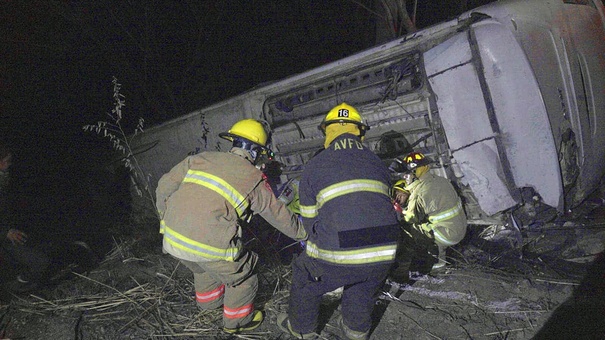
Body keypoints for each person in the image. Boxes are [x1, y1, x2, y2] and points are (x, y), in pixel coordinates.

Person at [155, 119, 307, 334]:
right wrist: (304, 233)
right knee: (244, 275)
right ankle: (237, 323)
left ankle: (208, 305)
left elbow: (163, 186)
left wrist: (165, 217)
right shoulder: (253, 178)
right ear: (254, 152)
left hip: (172, 240)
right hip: (210, 245)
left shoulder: (199, 159)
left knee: (202, 267)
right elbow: (279, 215)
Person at [277, 103, 400, 340]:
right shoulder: (377, 162)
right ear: (360, 132)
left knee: (305, 273)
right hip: (385, 250)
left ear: (327, 133)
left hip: (341, 252)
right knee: (364, 282)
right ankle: (356, 330)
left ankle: (301, 329)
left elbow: (310, 221)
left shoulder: (315, 165)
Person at [388, 151, 467, 282]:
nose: (405, 178)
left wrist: (399, 211)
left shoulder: (420, 192)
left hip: (446, 235)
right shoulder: (440, 181)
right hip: (459, 229)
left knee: (407, 232)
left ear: (414, 173)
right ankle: (439, 264)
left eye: (407, 174)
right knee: (425, 227)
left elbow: (411, 219)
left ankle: (401, 273)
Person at [0, 143, 51, 292]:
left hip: (11, 234)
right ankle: (15, 287)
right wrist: (6, 232)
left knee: (41, 258)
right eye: (7, 160)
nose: (10, 164)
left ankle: (22, 284)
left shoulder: (5, 179)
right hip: (5, 238)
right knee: (40, 262)